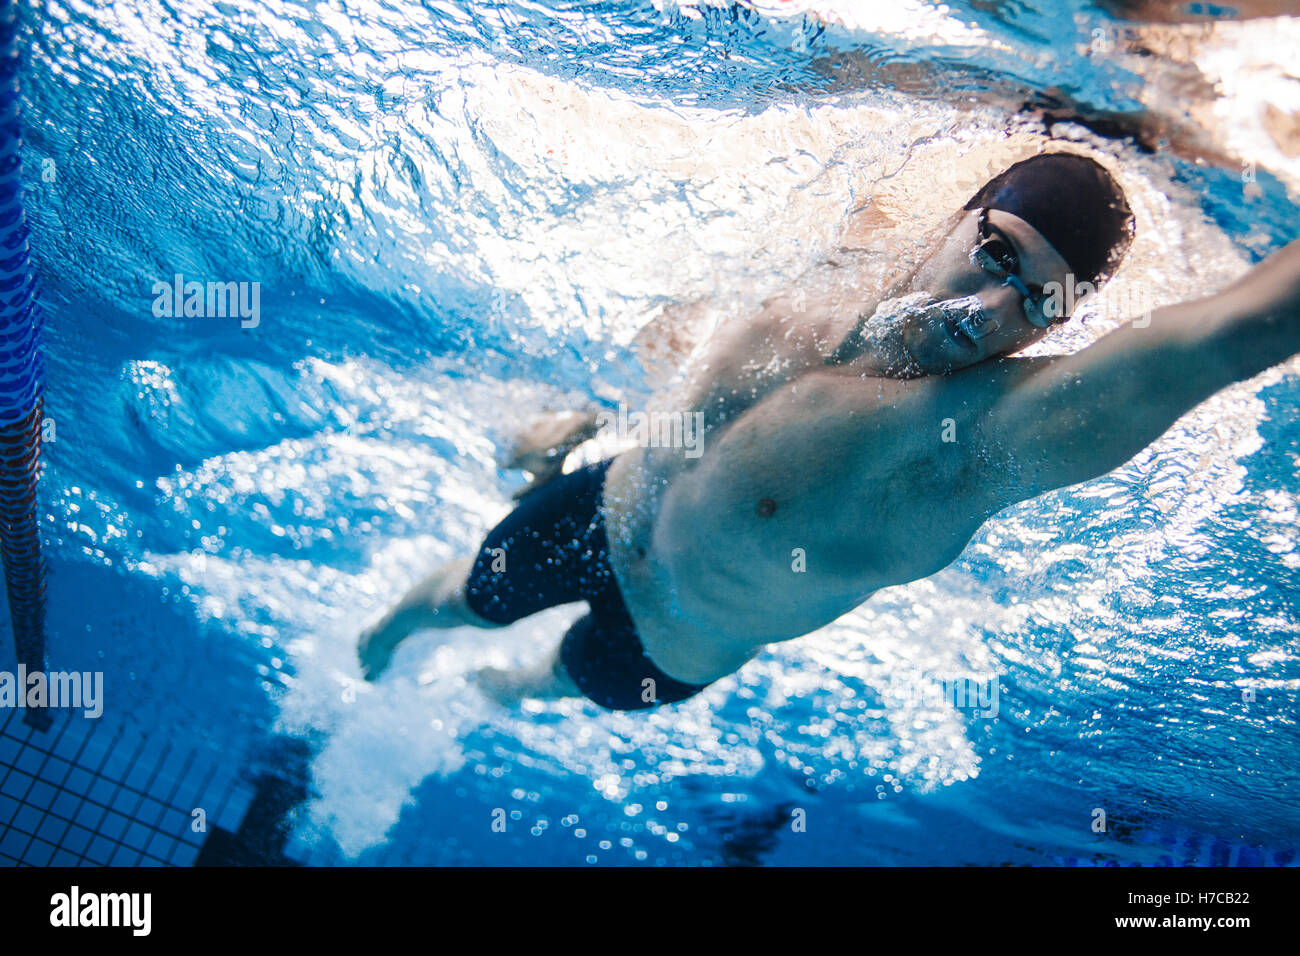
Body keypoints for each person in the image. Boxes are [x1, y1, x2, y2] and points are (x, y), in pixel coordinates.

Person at [358, 151, 1300, 711]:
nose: (987, 308)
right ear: (957, 218)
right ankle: (360, 669)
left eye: (1033, 302)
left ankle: (491, 698)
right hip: (599, 509)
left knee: (538, 687)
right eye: (995, 255)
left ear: (1054, 331)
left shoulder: (979, 440)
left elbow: (1216, 340)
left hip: (668, 643)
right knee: (444, 604)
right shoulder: (835, 273)